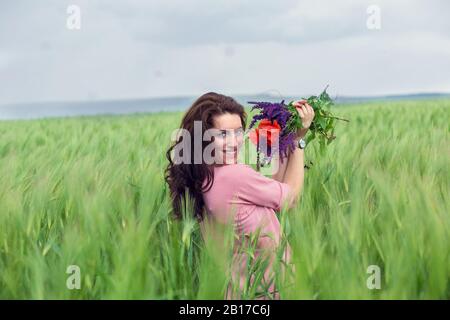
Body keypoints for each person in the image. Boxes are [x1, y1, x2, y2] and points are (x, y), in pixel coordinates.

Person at [165, 92, 315, 299]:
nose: (234, 142)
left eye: (237, 132)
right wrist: (299, 141)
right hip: (266, 292)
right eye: (223, 135)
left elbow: (273, 192)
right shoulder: (233, 176)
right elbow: (290, 199)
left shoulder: (202, 176)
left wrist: (281, 140)